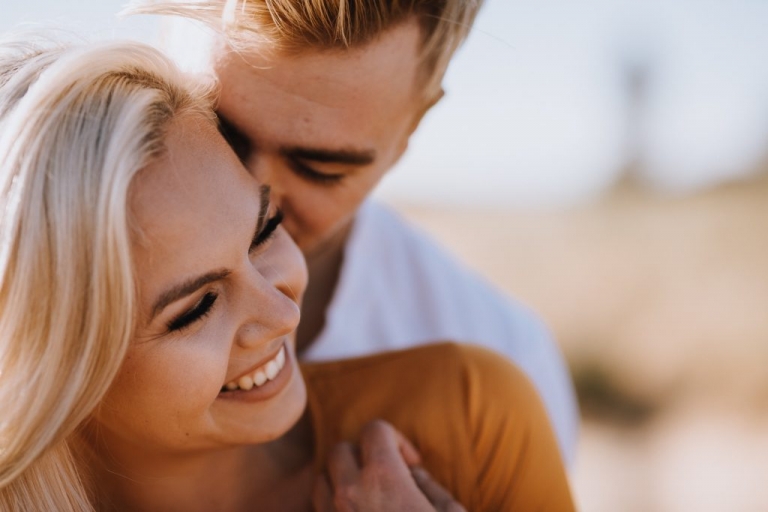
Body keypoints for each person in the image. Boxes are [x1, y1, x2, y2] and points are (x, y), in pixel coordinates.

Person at [0, 37, 573, 511]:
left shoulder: (467, 417)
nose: (284, 313)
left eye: (265, 231)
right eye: (197, 307)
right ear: (52, 372)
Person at [129, 0, 579, 464]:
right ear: (165, 42)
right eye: (219, 132)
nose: (254, 204)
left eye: (318, 169)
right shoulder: (56, 277)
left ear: (412, 127)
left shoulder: (504, 355)